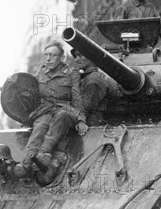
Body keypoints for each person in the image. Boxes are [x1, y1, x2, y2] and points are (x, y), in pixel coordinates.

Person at [15, 42, 87, 176]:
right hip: (46, 110)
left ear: (61, 58)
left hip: (66, 111)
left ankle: (44, 153)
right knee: (40, 125)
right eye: (46, 55)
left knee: (62, 116)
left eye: (53, 55)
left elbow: (77, 97)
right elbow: (31, 93)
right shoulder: (41, 72)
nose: (48, 59)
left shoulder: (72, 73)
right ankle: (26, 163)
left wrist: (81, 119)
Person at [71, 49, 118, 126]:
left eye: (80, 55)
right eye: (76, 56)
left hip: (92, 122)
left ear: (91, 57)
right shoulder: (85, 77)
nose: (76, 59)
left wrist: (75, 83)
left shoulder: (93, 80)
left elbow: (85, 109)